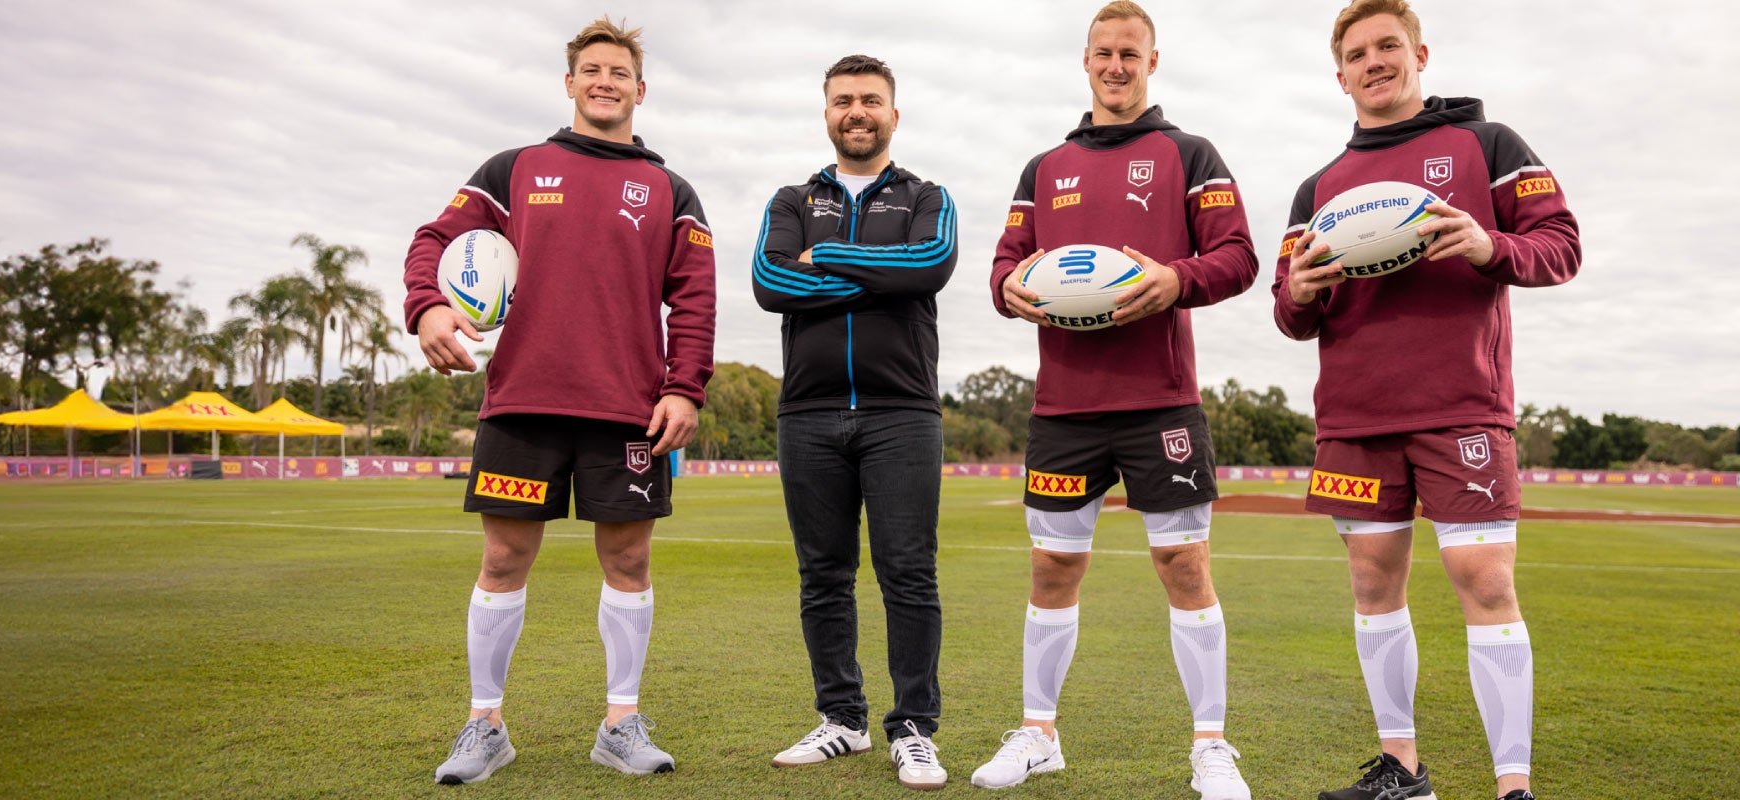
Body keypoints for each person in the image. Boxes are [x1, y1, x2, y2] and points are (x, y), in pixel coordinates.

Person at [1272, 2, 1582, 798]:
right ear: (1338, 74)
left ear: (1419, 54)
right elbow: (1289, 313)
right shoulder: (1318, 188)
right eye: (1357, 53)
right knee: (1374, 585)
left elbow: (1561, 244)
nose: (1374, 62)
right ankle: (1402, 772)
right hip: (1356, 417)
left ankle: (1514, 788)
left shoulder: (1487, 145)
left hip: (1460, 407)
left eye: (1388, 47)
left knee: (1485, 580)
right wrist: (1301, 289)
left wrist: (1489, 245)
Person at [396, 15, 716, 786]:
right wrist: (427, 307)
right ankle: (484, 726)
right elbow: (432, 242)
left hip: (628, 410)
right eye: (592, 70)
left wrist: (685, 387)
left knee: (629, 560)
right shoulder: (514, 168)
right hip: (524, 403)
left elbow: (695, 299)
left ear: (641, 90)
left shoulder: (669, 188)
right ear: (569, 82)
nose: (606, 82)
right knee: (503, 558)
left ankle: (621, 722)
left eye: (620, 73)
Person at [976, 3, 1257, 797]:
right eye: (1103, 53)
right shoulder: (1045, 167)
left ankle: (1210, 745)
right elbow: (1004, 266)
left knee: (1183, 564)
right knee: (1053, 569)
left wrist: (1176, 280)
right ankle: (1038, 735)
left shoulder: (1189, 153)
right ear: (1086, 61)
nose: (1116, 66)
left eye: (1130, 54)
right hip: (1064, 406)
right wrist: (1011, 291)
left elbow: (1238, 257)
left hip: (1161, 402)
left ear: (1152, 61)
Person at [750, 53, 960, 791]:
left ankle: (912, 729)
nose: (857, 111)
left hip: (901, 411)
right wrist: (877, 271)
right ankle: (842, 719)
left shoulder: (928, 196)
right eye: (843, 100)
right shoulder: (790, 198)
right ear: (828, 113)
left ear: (893, 115)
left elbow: (929, 266)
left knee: (908, 574)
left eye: (870, 99)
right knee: (823, 577)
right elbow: (770, 282)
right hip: (808, 413)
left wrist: (827, 261)